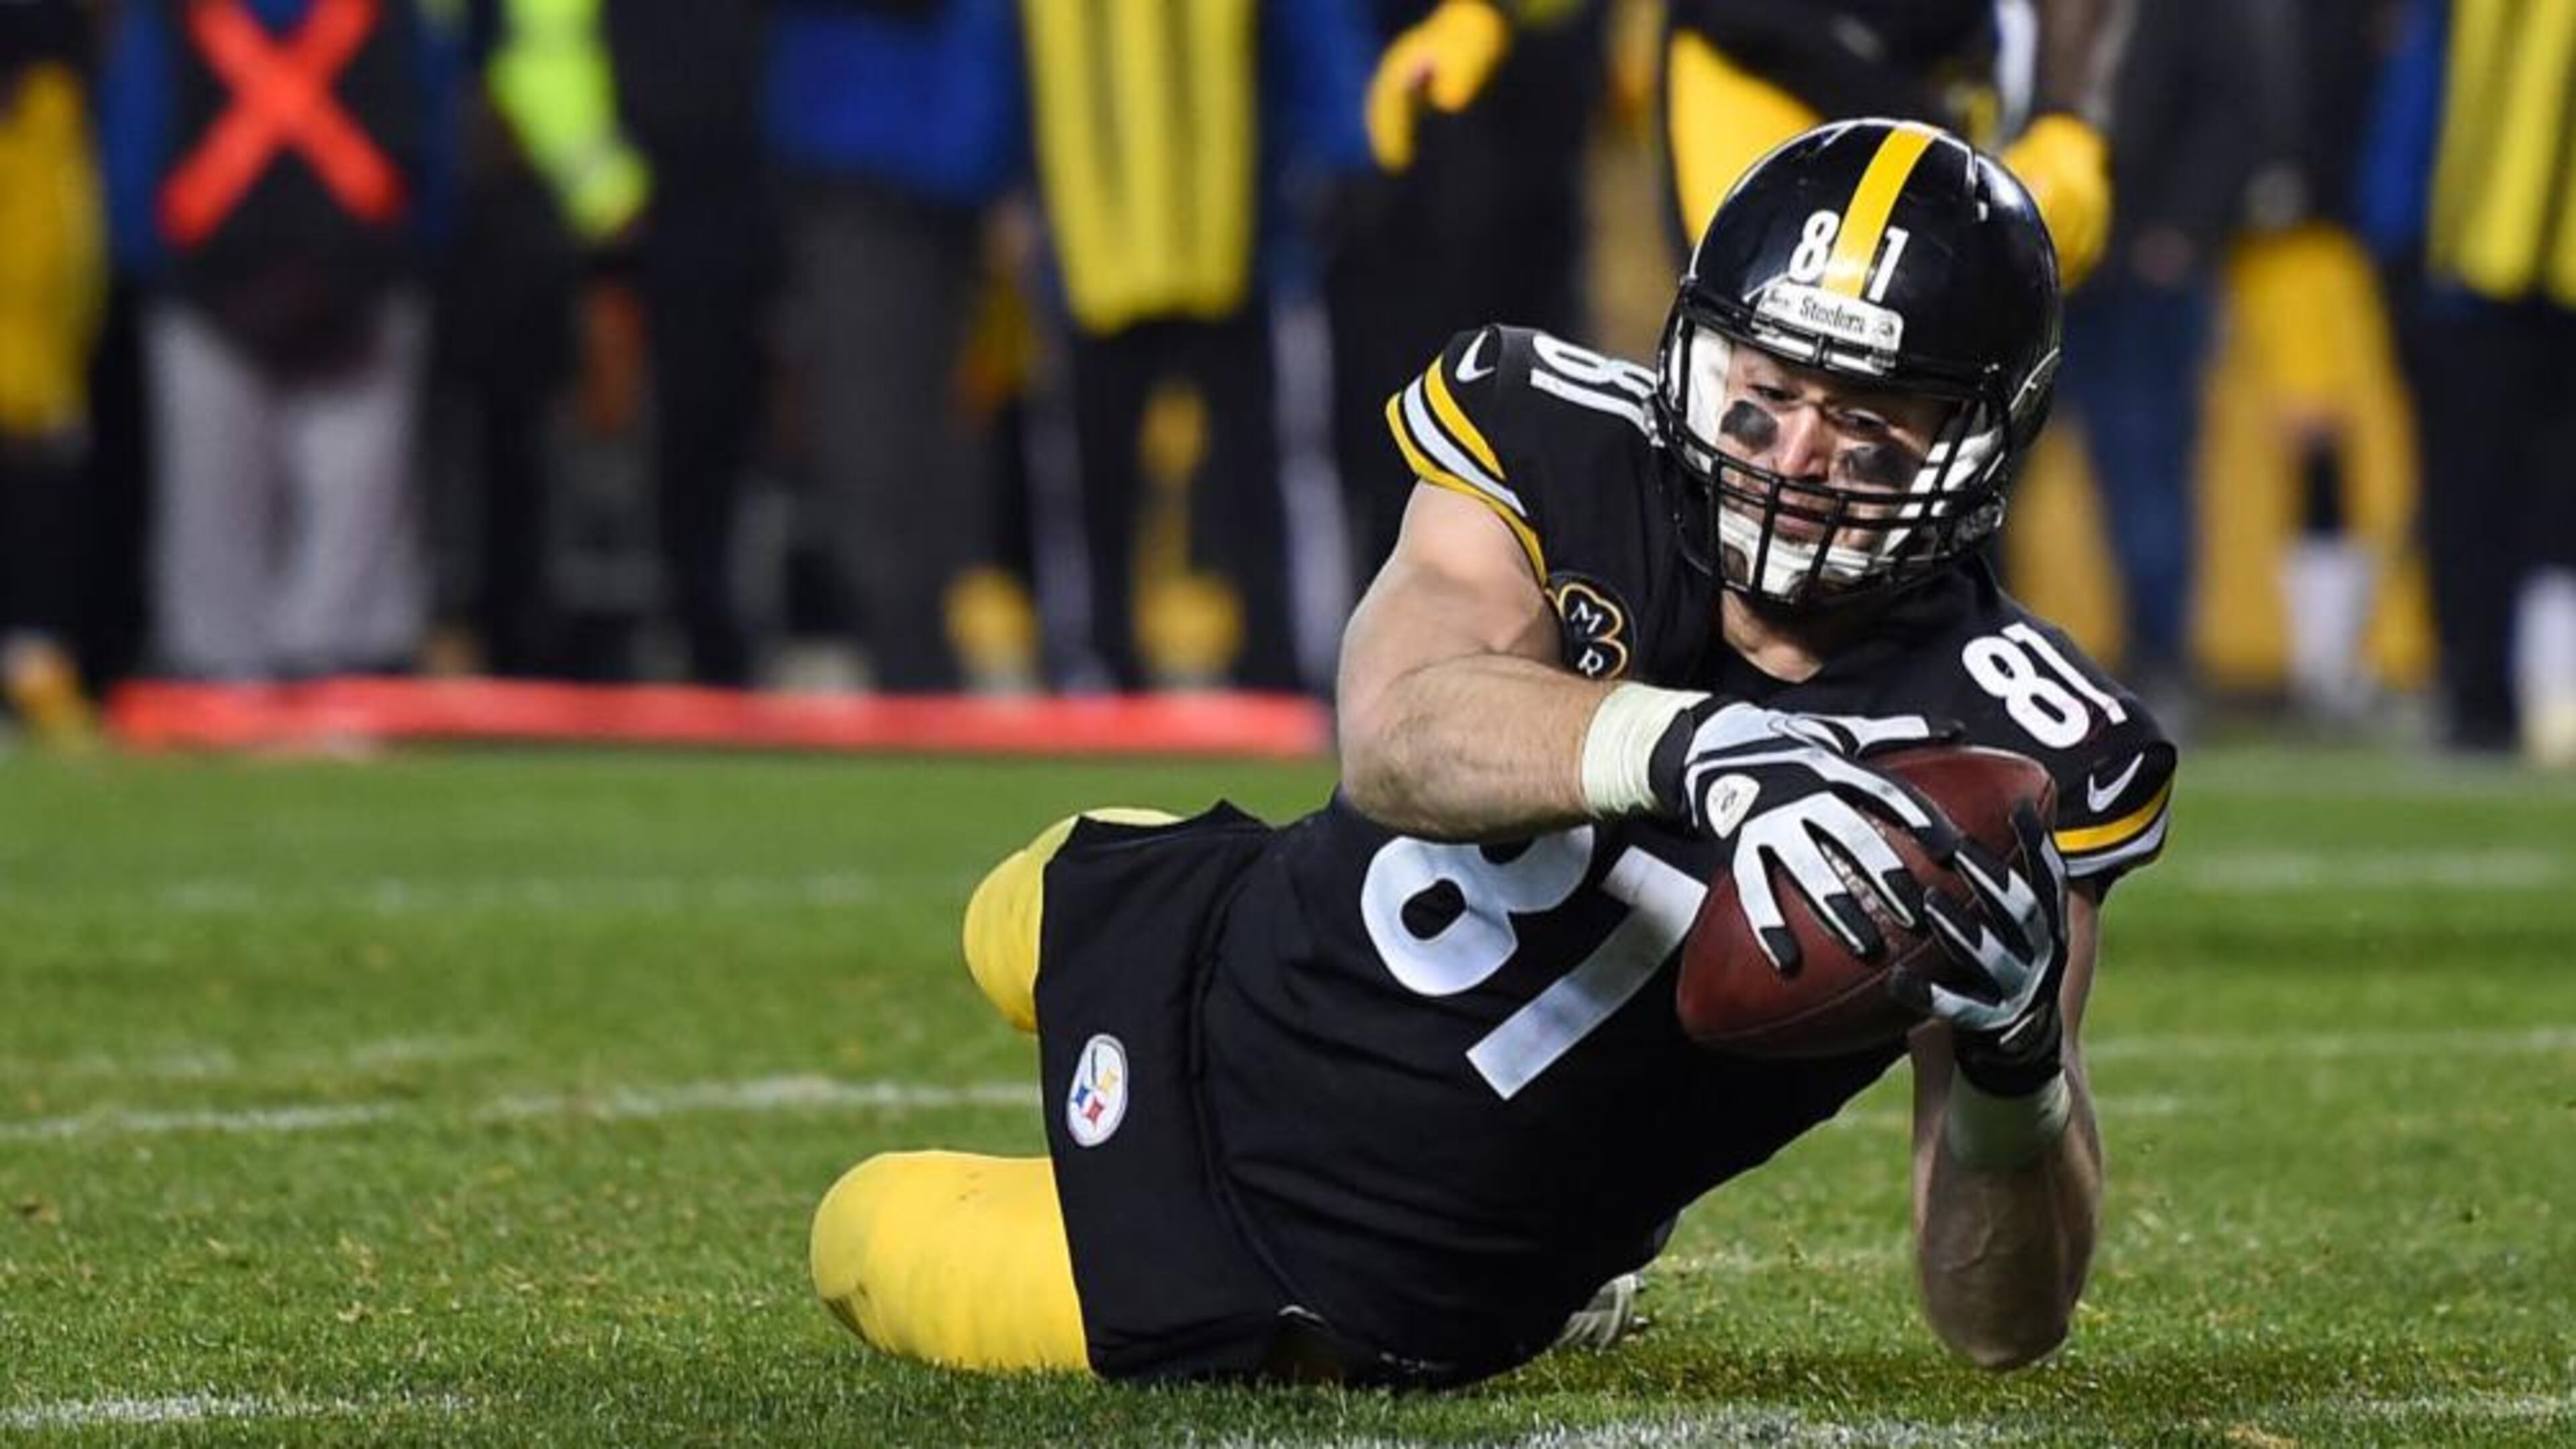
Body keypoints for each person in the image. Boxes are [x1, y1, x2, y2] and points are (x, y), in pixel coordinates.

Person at [810, 119, 2178, 1385]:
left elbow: (2001, 1324)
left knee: (856, 1231)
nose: (1797, 455)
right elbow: (1394, 734)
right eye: (1767, 389)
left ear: (1983, 441)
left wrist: (2016, 1069)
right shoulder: (1560, 433)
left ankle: (1559, 1279)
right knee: (1009, 906)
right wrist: (1698, 747)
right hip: (1238, 934)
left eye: (1870, 427)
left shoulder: (2018, 752)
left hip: (1318, 1250)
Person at [1368, 0, 2120, 285]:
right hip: (1753, 62)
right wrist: (1484, 11)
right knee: (1764, 373)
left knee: (1946, 398)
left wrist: (2071, 117)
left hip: (1939, 80)